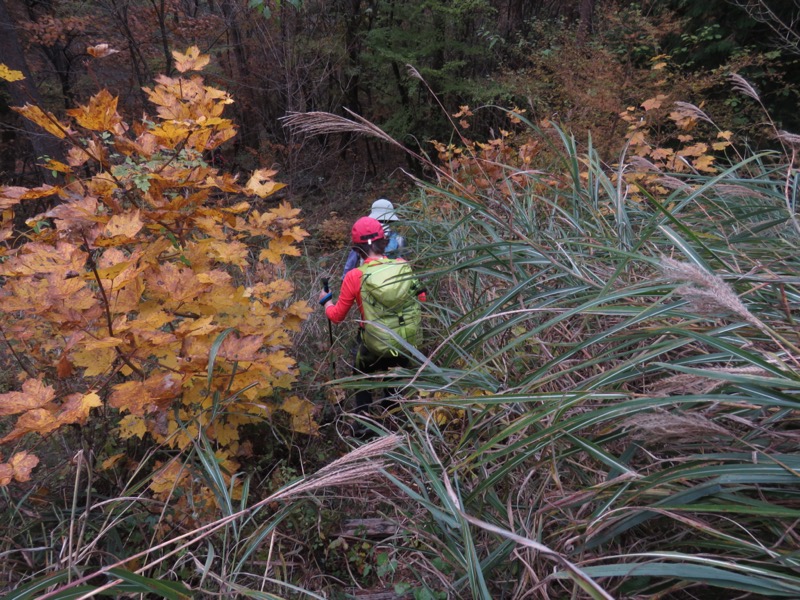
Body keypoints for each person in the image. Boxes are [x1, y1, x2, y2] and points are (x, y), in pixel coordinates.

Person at [321, 216, 424, 413]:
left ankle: (364, 423)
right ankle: (392, 417)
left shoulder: (354, 276)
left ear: (357, 249)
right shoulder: (403, 265)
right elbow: (422, 297)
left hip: (374, 344)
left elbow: (336, 316)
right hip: (404, 341)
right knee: (395, 375)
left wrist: (326, 301)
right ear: (384, 241)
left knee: (361, 375)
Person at [342, 199, 406, 279]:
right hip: (392, 282)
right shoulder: (398, 238)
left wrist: (345, 279)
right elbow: (402, 263)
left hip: (366, 280)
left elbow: (350, 264)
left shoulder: (363, 237)